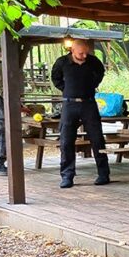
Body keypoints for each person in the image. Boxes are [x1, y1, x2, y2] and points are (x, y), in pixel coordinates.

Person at [51, 39, 110, 188]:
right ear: (72, 51)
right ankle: (67, 175)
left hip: (88, 103)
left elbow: (100, 73)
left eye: (86, 53)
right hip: (69, 103)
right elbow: (55, 78)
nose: (84, 56)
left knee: (97, 138)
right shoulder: (62, 62)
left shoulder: (93, 61)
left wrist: (92, 85)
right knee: (66, 140)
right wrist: (66, 88)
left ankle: (103, 173)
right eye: (81, 53)